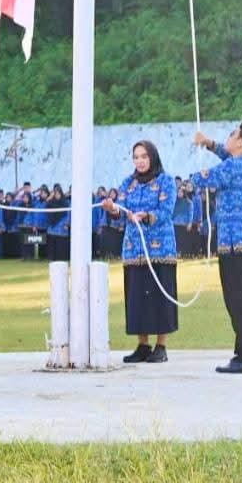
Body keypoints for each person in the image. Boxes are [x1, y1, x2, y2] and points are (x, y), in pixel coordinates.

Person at [191, 118, 242, 375]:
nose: (229, 137)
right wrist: (209, 144)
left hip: (235, 245)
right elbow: (228, 157)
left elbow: (202, 179)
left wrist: (174, 177)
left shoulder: (231, 169)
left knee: (238, 302)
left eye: (233, 134)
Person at [104, 141, 178, 364]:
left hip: (160, 248)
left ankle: (161, 345)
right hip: (134, 249)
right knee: (137, 297)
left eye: (144, 156)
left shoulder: (166, 181)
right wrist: (113, 209)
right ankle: (142, 344)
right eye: (136, 157)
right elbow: (122, 208)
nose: (140, 161)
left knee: (160, 296)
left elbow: (166, 211)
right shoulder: (128, 183)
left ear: (153, 157)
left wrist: (146, 215)